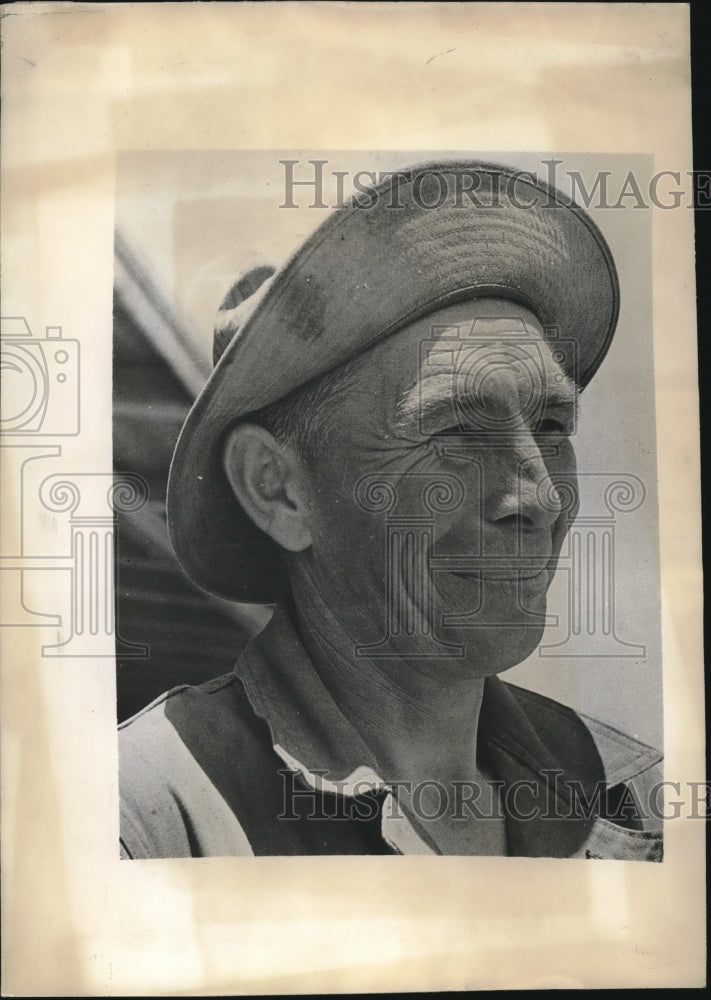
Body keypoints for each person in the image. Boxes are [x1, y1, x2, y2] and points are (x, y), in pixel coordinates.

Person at [119, 160, 663, 859]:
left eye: (552, 428)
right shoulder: (141, 821)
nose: (540, 497)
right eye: (457, 431)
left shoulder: (636, 794)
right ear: (278, 489)